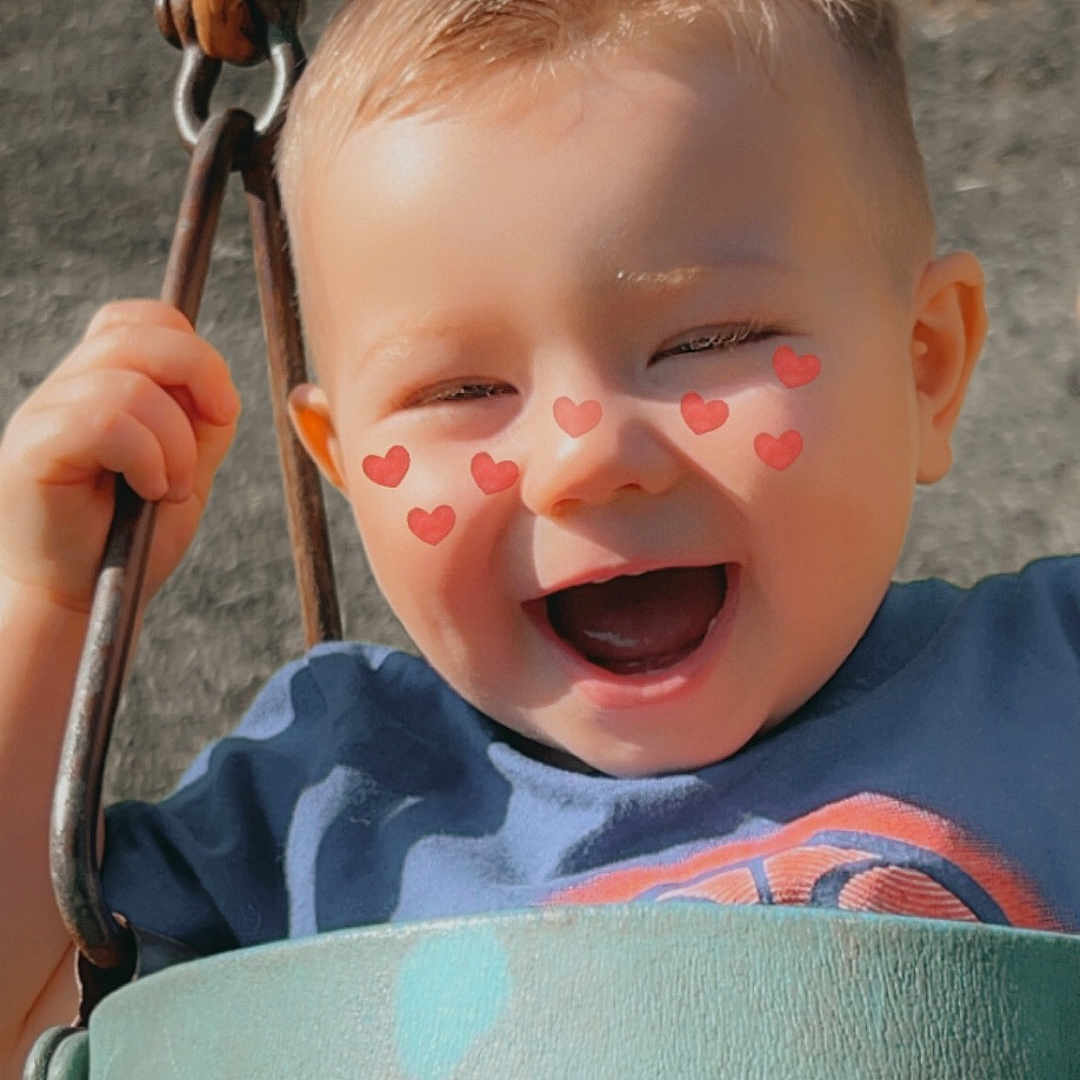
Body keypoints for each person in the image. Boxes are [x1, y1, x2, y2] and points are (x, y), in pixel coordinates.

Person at [2, 0, 1077, 1067]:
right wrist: (44, 604)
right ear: (341, 468)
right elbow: (29, 1015)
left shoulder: (1047, 685)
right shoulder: (327, 807)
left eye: (708, 340)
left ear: (925, 364)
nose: (583, 458)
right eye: (462, 387)